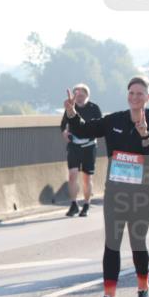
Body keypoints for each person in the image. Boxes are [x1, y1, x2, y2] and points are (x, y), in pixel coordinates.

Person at [62, 76, 149, 297]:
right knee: (112, 244)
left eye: (140, 94)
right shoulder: (114, 120)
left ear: (148, 97)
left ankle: (143, 290)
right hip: (116, 194)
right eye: (131, 93)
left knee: (138, 243)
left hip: (143, 195)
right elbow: (83, 129)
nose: (135, 97)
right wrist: (71, 113)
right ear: (127, 95)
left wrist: (144, 135)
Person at [60, 83, 102, 217]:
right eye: (77, 95)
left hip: (89, 146)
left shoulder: (94, 108)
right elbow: (63, 125)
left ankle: (86, 204)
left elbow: (100, 125)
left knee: (86, 177)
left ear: (87, 96)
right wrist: (65, 133)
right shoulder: (71, 108)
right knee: (72, 175)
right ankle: (73, 204)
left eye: (82, 95)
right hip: (74, 145)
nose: (79, 98)